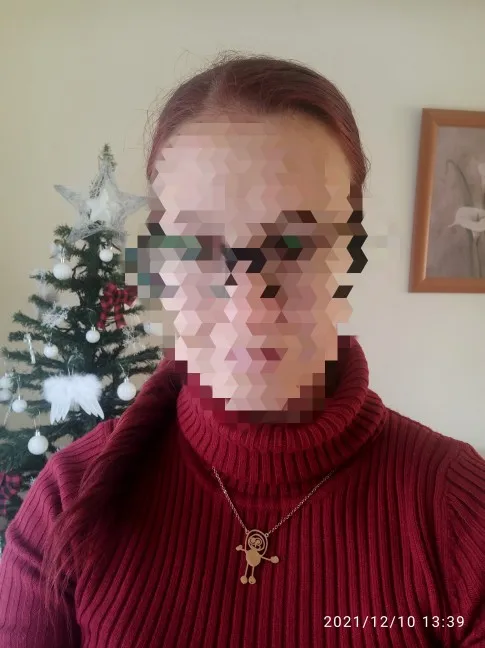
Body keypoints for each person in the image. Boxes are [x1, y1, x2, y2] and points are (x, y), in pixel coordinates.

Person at [0, 52, 484, 648]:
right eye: (201, 246)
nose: (249, 304)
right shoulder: (65, 504)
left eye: (295, 244)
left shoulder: (458, 514)